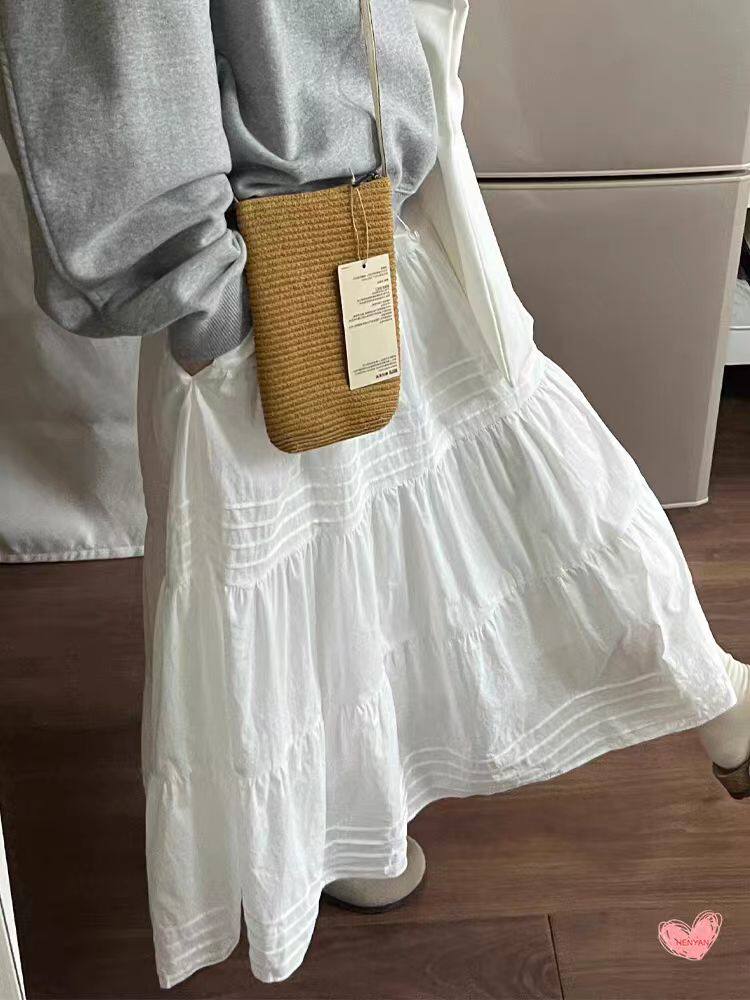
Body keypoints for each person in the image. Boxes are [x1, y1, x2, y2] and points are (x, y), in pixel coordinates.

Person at [1, 0, 748, 988]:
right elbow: (107, 42)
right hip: (275, 251)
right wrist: (201, 290)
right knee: (373, 518)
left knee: (459, 486)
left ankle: (376, 823)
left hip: (377, 194)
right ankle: (369, 825)